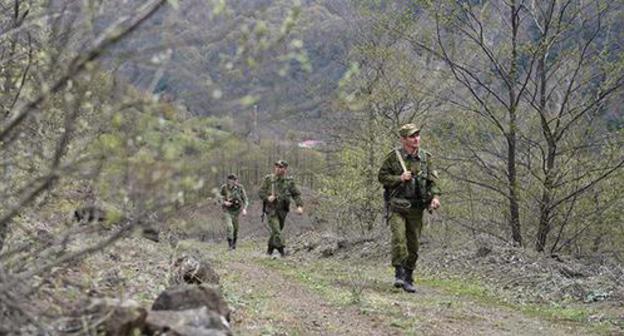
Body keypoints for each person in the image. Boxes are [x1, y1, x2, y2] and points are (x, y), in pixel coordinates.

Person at [378, 123, 441, 293]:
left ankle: (408, 276)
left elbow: (432, 182)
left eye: (417, 135)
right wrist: (399, 178)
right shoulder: (393, 157)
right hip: (397, 205)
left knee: (413, 244)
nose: (416, 139)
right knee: (399, 238)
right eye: (412, 136)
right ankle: (399, 272)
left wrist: (435, 197)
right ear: (404, 139)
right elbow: (382, 176)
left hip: (416, 207)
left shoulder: (426, 158)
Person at [258, 160, 304, 257]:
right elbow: (261, 192)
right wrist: (267, 198)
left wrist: (299, 206)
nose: (278, 168)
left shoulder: (289, 182)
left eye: (281, 167)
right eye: (277, 166)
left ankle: (269, 250)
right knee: (277, 231)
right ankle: (282, 251)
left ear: (285, 169)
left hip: (283, 211)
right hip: (271, 210)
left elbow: (296, 194)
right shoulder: (269, 179)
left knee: (277, 231)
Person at [219, 174, 248, 250]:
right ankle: (230, 245)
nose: (235, 182)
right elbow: (219, 198)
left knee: (235, 229)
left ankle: (234, 244)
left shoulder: (240, 188)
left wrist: (244, 209)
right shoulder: (224, 188)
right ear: (229, 180)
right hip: (227, 210)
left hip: (236, 211)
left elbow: (245, 199)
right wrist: (224, 202)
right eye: (233, 180)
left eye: (236, 180)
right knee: (229, 227)